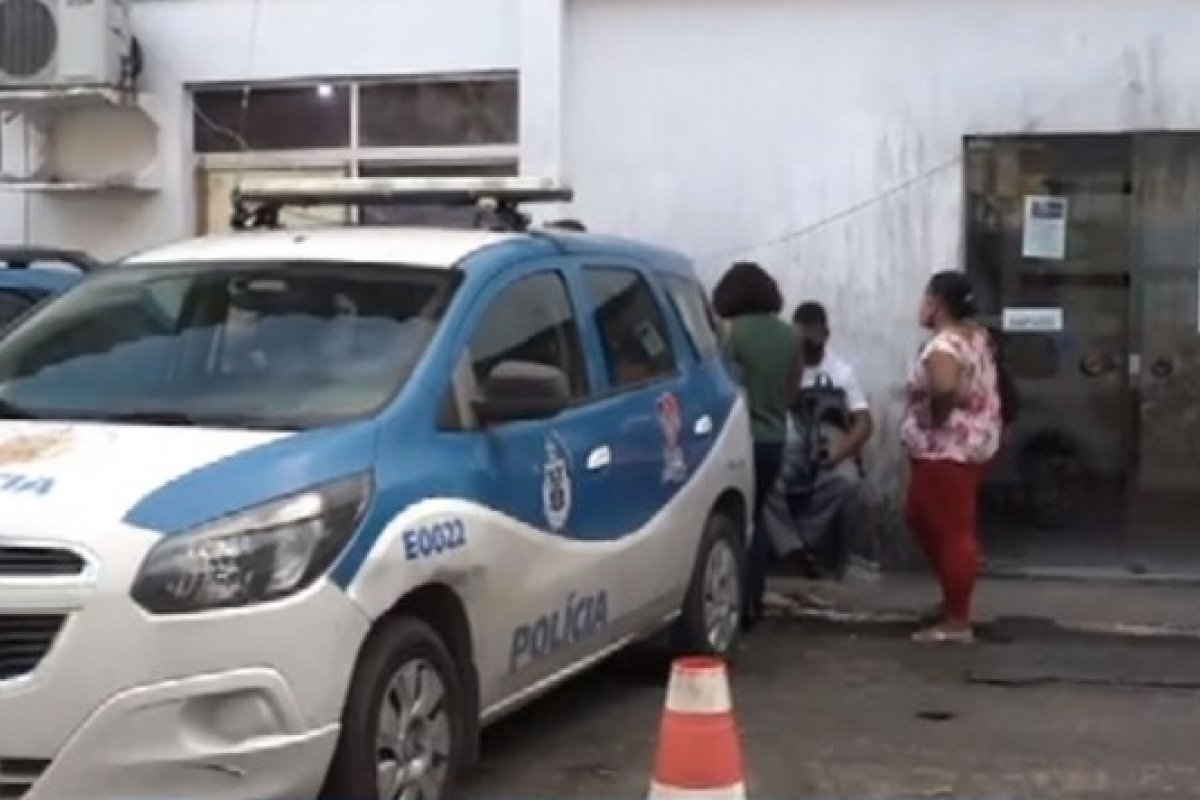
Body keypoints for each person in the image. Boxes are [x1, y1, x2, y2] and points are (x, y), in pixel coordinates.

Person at [902, 271, 1002, 644]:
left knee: (951, 531)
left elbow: (943, 387)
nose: (921, 306)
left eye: (926, 298)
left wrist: (936, 415)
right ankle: (952, 597)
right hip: (967, 447)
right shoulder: (975, 337)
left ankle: (957, 620)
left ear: (938, 304)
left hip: (946, 451)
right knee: (920, 516)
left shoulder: (944, 345)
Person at [711, 262, 802, 631]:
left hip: (740, 438)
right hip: (775, 438)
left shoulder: (728, 333)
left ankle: (735, 601)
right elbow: (793, 392)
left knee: (734, 523)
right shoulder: (791, 336)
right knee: (758, 516)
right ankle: (754, 601)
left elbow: (720, 385)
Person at [763, 302, 875, 583]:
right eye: (803, 340)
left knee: (847, 482)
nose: (810, 346)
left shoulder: (840, 371)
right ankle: (794, 550)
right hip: (789, 444)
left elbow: (863, 421)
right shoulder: (780, 365)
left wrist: (842, 450)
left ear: (826, 334)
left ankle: (800, 545)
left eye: (815, 338)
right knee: (765, 482)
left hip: (828, 445)